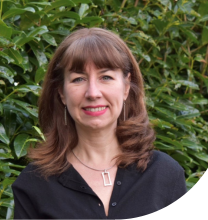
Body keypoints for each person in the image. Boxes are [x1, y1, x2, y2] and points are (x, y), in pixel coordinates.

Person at [12, 28, 186, 219]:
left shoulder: (165, 175)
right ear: (61, 92)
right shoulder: (33, 185)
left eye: (106, 77)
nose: (93, 93)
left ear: (126, 86)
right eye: (79, 79)